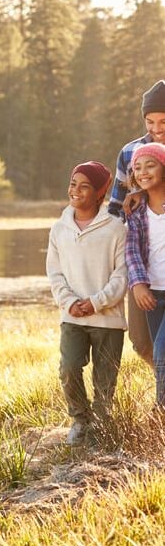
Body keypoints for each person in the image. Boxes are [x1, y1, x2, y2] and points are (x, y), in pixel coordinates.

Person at [46, 161, 127, 446]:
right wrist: (70, 303)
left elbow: (122, 275)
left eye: (84, 186)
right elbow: (54, 273)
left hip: (108, 319)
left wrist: (96, 302)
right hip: (72, 317)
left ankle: (103, 427)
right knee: (68, 367)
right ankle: (81, 420)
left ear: (99, 193)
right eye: (72, 184)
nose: (76, 191)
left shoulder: (116, 228)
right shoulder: (59, 229)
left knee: (105, 381)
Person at [108, 79, 165, 366]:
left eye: (164, 121)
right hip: (141, 262)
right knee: (142, 341)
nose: (156, 129)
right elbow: (116, 209)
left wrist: (146, 193)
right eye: (150, 121)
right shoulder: (130, 153)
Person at [125, 142, 165, 410]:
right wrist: (138, 284)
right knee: (155, 351)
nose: (143, 171)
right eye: (137, 167)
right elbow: (132, 250)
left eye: (150, 165)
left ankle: (160, 412)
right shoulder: (137, 210)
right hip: (153, 293)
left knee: (162, 354)